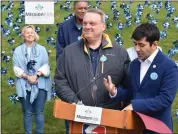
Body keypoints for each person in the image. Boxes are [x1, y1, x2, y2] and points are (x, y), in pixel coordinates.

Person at [104, 23, 178, 133]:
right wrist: (114, 91)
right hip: (135, 126)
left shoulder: (169, 66)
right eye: (135, 44)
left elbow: (165, 99)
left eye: (141, 45)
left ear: (154, 44)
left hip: (157, 128)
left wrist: (135, 105)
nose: (137, 49)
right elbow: (133, 93)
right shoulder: (134, 64)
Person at [54, 8, 130, 109]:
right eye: (85, 23)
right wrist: (74, 102)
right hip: (77, 116)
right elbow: (60, 81)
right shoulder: (69, 52)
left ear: (103, 26)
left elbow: (129, 86)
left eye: (92, 23)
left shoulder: (120, 53)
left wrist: (115, 92)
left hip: (109, 118)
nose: (87, 27)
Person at [13, 25, 52, 134]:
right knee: (27, 112)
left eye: (32, 32)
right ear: (23, 35)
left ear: (35, 35)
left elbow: (46, 66)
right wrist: (27, 77)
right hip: (24, 84)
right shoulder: (17, 50)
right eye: (27, 32)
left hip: (40, 83)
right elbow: (16, 68)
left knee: (39, 112)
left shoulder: (42, 49)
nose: (30, 34)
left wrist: (37, 75)